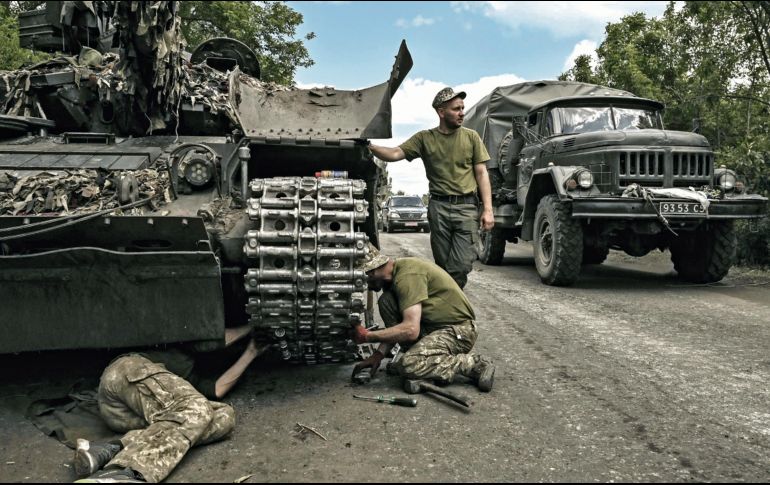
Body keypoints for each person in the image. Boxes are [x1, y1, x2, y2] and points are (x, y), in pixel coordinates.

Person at [73, 326, 265, 483]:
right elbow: (214, 337)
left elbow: (217, 390)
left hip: (129, 413)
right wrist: (252, 326)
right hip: (128, 371)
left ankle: (109, 449)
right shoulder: (187, 345)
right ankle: (123, 472)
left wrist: (252, 351)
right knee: (196, 408)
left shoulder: (189, 380)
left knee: (223, 415)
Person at [368, 87, 495, 289]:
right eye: (456, 109)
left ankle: (449, 302)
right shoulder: (425, 138)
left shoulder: (471, 137)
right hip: (439, 208)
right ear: (441, 111)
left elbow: (482, 173)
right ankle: (446, 309)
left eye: (463, 108)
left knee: (461, 265)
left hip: (466, 208)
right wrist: (370, 147)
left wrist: (488, 209)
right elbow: (394, 153)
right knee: (443, 267)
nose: (462, 112)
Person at [350, 244, 495, 391]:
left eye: (362, 279)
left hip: (458, 331)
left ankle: (475, 364)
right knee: (386, 301)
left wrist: (368, 336)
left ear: (371, 272)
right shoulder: (392, 279)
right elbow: (398, 329)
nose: (364, 286)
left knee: (409, 365)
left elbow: (410, 330)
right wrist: (378, 355)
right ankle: (424, 362)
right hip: (433, 328)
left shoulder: (408, 276)